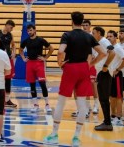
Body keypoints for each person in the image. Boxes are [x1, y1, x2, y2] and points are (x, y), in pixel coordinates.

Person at [43, 11, 106, 146]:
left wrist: (60, 63)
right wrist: (91, 64)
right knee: (82, 103)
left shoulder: (67, 35)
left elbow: (60, 51)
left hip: (70, 67)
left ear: (71, 21)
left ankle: (54, 134)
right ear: (83, 22)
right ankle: (76, 137)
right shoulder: (88, 36)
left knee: (61, 102)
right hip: (84, 68)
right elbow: (103, 52)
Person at [19, 24, 54, 113]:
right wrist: (23, 58)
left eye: (31, 30)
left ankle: (47, 104)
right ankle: (35, 105)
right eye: (28, 31)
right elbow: (20, 50)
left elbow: (51, 48)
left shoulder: (41, 40)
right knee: (32, 85)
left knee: (42, 84)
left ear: (35, 30)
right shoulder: (26, 41)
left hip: (39, 63)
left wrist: (45, 58)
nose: (29, 32)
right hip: (30, 63)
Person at [91, 26, 116, 132]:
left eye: (94, 33)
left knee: (104, 99)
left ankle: (108, 123)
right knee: (103, 99)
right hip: (101, 73)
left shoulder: (104, 41)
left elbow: (113, 52)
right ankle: (106, 122)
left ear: (99, 33)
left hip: (104, 73)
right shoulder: (100, 43)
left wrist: (105, 66)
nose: (92, 35)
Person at [107, 30, 124, 126]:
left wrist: (118, 69)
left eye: (110, 36)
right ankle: (113, 115)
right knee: (112, 97)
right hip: (110, 74)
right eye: (107, 36)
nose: (108, 38)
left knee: (118, 96)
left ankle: (119, 117)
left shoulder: (118, 48)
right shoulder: (109, 48)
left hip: (117, 75)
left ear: (115, 37)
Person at [0, 20, 17, 108]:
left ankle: (7, 99)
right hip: (0, 60)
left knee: (8, 79)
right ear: (6, 25)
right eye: (11, 27)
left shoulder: (10, 35)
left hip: (8, 59)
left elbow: (13, 45)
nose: (11, 29)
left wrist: (14, 52)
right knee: (0, 79)